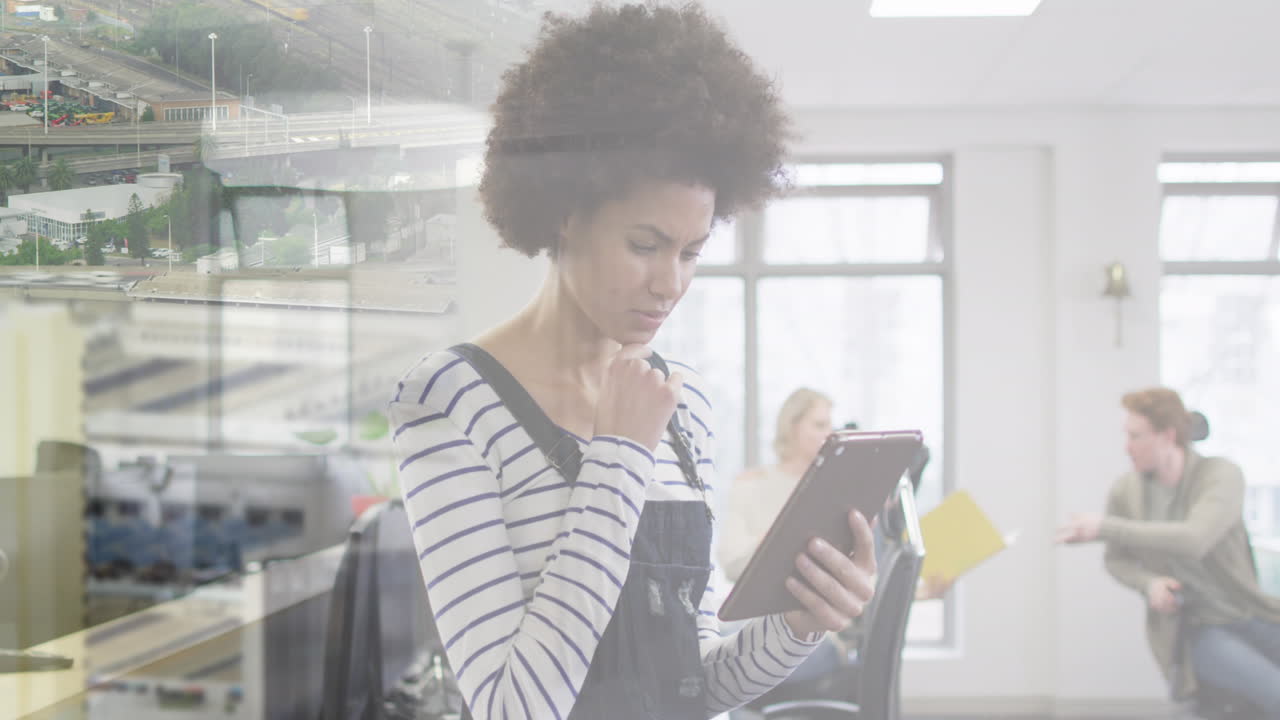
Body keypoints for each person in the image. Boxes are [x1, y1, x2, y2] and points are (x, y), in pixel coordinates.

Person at [387, 6, 878, 720]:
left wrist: (800, 624)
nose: (670, 284)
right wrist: (617, 456)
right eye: (645, 245)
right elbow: (513, 707)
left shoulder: (685, 408)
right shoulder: (449, 399)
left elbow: (695, 682)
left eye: (691, 251)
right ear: (565, 212)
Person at [1057, 387, 1280, 717]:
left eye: (1136, 436)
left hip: (1252, 613)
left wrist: (1104, 527)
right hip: (1200, 630)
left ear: (1167, 436)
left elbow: (1195, 538)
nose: (1126, 447)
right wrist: (1149, 583)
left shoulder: (1220, 475)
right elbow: (1116, 560)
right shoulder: (1127, 491)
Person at [718, 389, 948, 689]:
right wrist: (777, 542)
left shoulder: (842, 493)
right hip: (753, 626)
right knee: (717, 653)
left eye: (830, 424)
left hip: (821, 635)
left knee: (728, 663)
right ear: (792, 426)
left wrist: (921, 592)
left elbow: (863, 579)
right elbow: (732, 562)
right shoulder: (751, 485)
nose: (830, 433)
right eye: (819, 424)